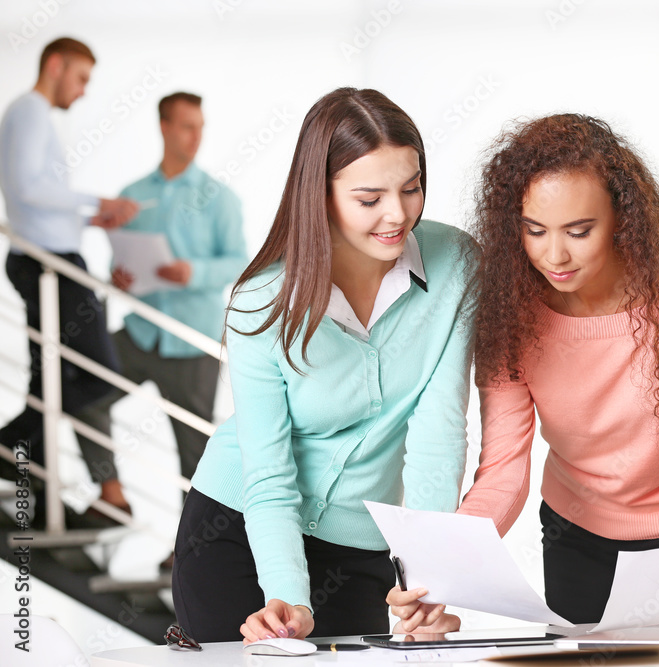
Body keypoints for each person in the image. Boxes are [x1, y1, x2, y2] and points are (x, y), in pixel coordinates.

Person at [390, 114, 659, 631]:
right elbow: (504, 473)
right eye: (535, 231)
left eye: (579, 231)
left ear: (623, 217)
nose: (554, 255)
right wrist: (444, 569)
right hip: (577, 540)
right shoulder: (509, 313)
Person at [170, 88, 476, 643]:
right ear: (321, 195)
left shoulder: (457, 266)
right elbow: (267, 471)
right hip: (236, 527)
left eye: (412, 188)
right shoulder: (261, 303)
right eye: (369, 198)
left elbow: (440, 433)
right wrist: (287, 594)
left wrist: (427, 578)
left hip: (359, 545)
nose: (398, 214)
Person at [78, 92, 246, 517]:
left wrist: (193, 272)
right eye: (187, 126)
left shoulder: (219, 197)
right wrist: (118, 277)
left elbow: (240, 261)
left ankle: (185, 553)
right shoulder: (132, 195)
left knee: (196, 458)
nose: (196, 136)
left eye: (200, 127)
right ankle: (110, 492)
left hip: (193, 343)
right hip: (142, 331)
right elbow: (122, 260)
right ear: (164, 127)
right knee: (80, 393)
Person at [0, 37, 139, 521]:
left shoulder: (32, 114)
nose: (82, 92)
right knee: (97, 373)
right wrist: (95, 203)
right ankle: (8, 446)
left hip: (49, 254)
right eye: (80, 77)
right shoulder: (30, 111)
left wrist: (87, 221)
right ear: (54, 65)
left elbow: (36, 200)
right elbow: (26, 188)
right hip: (48, 265)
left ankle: (34, 496)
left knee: (52, 378)